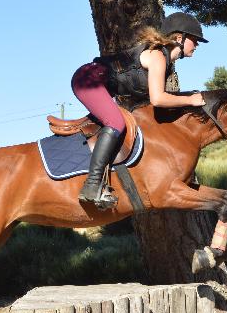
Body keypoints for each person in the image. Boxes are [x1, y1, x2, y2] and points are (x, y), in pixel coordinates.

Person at [71, 11, 209, 208]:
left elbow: (149, 103)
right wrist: (191, 100)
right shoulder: (158, 56)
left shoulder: (165, 61)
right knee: (116, 122)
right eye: (195, 40)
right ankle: (92, 185)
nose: (196, 45)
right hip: (88, 79)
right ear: (180, 38)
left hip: (96, 82)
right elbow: (158, 99)